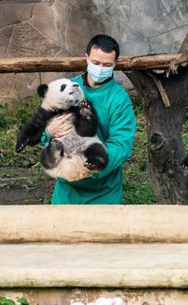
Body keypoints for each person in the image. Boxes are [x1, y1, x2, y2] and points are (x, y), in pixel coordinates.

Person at [43, 35, 137, 204]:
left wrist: (93, 166)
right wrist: (48, 131)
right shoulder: (67, 87)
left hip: (103, 192)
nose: (101, 68)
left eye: (107, 65)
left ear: (116, 63)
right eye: (96, 63)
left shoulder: (119, 100)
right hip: (67, 192)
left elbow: (120, 145)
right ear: (86, 58)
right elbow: (44, 132)